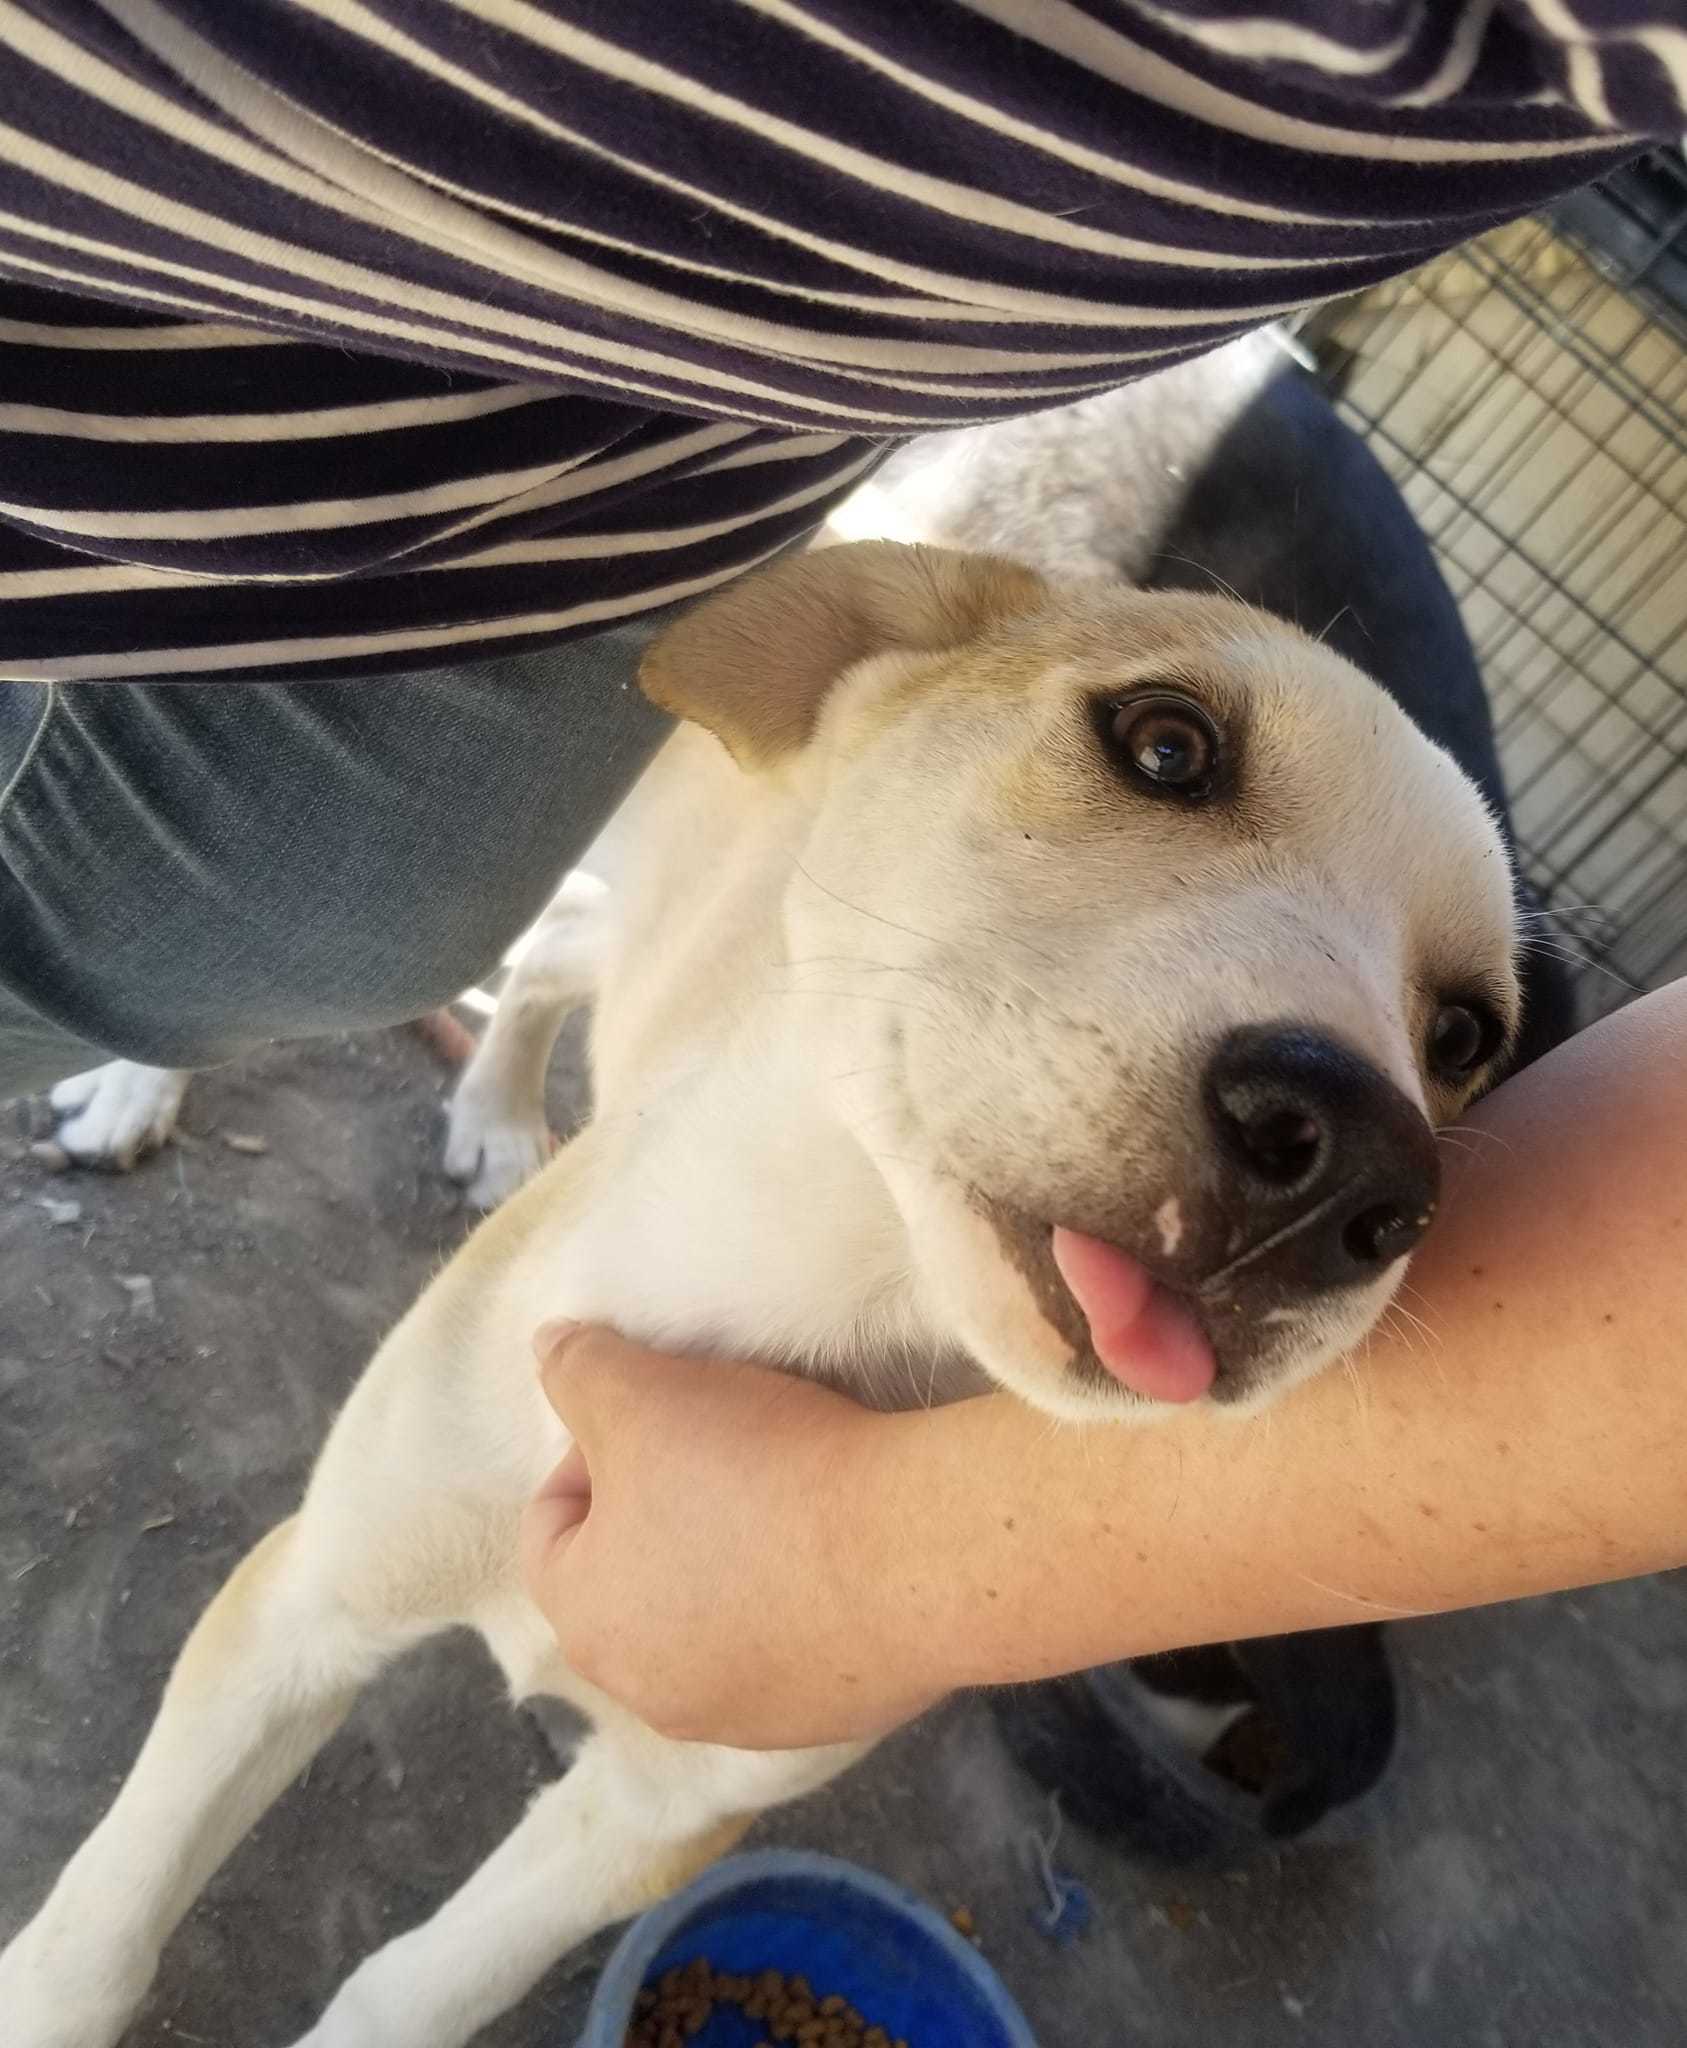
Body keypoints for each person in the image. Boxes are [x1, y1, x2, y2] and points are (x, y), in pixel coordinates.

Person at [1, 4, 1684, 1745]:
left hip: (679, 407)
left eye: (1459, 1037)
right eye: (1170, 756)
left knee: (304, 909)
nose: (1364, 1133)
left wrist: (883, 1564)